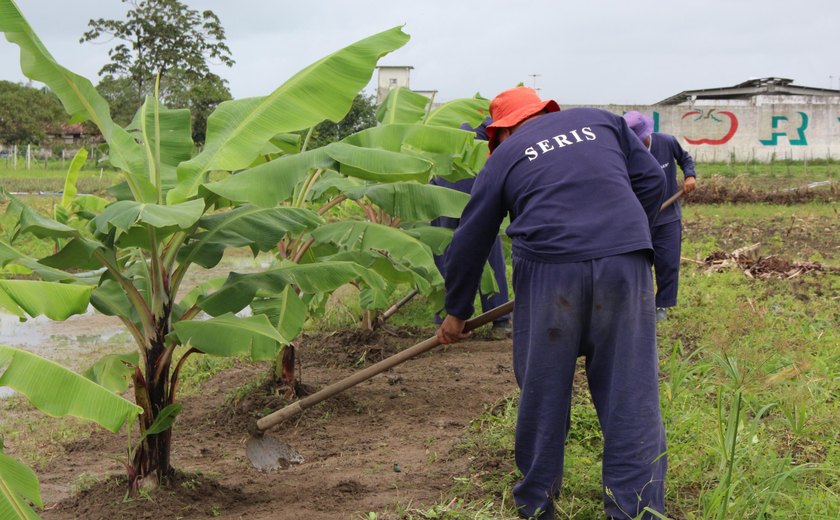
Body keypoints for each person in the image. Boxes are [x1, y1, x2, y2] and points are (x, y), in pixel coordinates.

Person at [436, 87, 668, 519]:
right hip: (625, 266)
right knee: (629, 393)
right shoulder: (604, 121)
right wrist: (622, 234)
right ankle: (636, 510)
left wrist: (456, 312)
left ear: (501, 131)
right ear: (546, 110)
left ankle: (538, 503)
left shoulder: (503, 158)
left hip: (549, 273)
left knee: (544, 389)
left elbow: (470, 241)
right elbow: (653, 181)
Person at [430, 117, 512, 338]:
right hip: (467, 188)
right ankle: (499, 320)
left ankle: (446, 316)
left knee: (444, 248)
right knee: (486, 249)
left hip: (443, 193)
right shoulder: (488, 134)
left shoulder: (461, 130)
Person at [623, 111, 697, 322]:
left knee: (668, 262)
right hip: (638, 218)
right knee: (636, 263)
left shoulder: (666, 142)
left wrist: (690, 175)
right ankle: (635, 303)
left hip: (668, 217)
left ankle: (662, 306)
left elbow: (685, 158)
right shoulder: (624, 153)